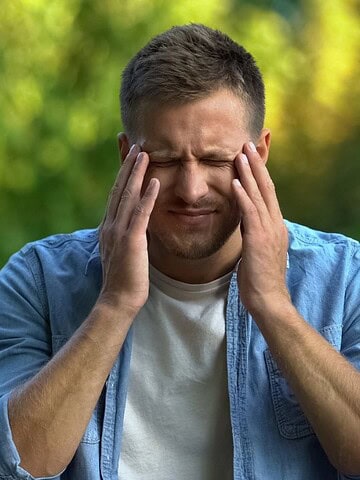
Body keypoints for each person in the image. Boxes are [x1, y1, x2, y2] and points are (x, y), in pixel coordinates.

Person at [0, 23, 359, 480]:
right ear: (127, 154)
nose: (191, 190)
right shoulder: (36, 281)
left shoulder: (346, 277)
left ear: (261, 153)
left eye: (214, 160)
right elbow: (19, 464)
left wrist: (273, 306)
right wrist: (114, 305)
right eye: (166, 161)